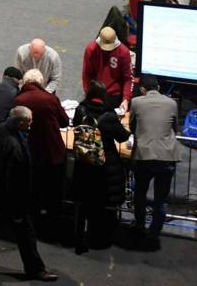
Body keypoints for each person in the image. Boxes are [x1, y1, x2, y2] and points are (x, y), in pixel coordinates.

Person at [0, 106, 58, 282]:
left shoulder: (0, 129)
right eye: (29, 121)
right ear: (20, 122)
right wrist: (20, 205)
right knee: (26, 234)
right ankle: (36, 270)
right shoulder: (16, 148)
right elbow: (14, 179)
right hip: (14, 199)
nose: (31, 124)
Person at [71, 81, 130, 254]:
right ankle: (96, 237)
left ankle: (79, 239)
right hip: (103, 167)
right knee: (99, 204)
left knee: (81, 204)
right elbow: (122, 138)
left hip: (83, 164)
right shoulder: (109, 115)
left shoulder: (80, 110)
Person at [14, 69, 69, 237]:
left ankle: (33, 225)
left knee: (33, 191)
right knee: (54, 192)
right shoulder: (50, 99)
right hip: (53, 153)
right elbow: (64, 122)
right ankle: (53, 227)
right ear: (40, 82)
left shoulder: (18, 100)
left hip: (30, 154)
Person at [130, 75, 178, 251]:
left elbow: (132, 126)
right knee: (161, 199)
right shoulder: (172, 103)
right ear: (158, 87)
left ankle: (139, 226)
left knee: (140, 194)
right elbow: (174, 128)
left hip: (144, 156)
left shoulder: (136, 102)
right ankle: (155, 232)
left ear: (142, 89)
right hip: (167, 156)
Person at [81, 26, 134, 110]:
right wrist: (88, 93)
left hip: (115, 95)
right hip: (96, 93)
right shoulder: (91, 49)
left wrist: (125, 99)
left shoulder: (123, 52)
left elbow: (128, 78)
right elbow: (86, 74)